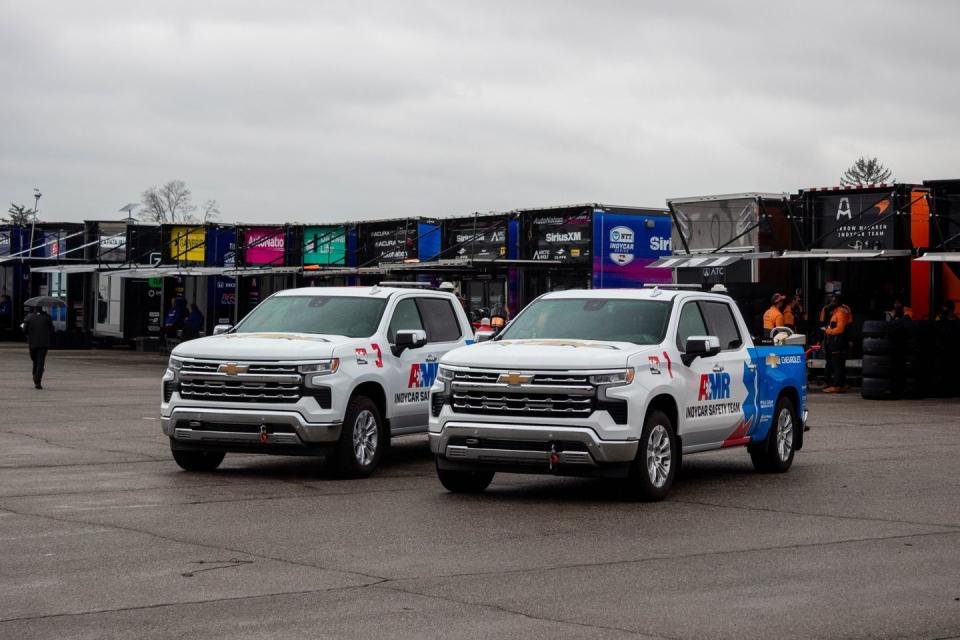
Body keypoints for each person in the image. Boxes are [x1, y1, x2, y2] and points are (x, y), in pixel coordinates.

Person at [823, 294, 851, 393]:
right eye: (832, 301)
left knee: (837, 364)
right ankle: (841, 384)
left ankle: (837, 386)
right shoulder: (836, 311)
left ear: (839, 302)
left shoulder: (841, 312)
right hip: (837, 340)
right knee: (839, 364)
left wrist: (828, 331)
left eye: (834, 301)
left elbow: (840, 329)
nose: (832, 303)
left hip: (837, 341)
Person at [21, 305, 55, 389]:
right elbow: (52, 330)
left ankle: (36, 375)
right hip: (44, 343)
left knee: (35, 360)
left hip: (32, 343)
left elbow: (24, 331)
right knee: (40, 362)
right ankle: (37, 379)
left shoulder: (29, 317)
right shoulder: (47, 317)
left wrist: (24, 327)